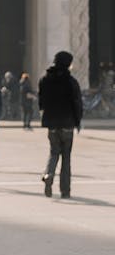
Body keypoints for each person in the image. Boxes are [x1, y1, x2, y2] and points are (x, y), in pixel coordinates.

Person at [38, 50, 83, 200]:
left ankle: (48, 174)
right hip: (67, 123)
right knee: (66, 157)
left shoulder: (45, 80)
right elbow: (77, 104)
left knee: (53, 152)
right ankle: (65, 190)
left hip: (51, 123)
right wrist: (78, 121)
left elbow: (41, 102)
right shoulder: (71, 82)